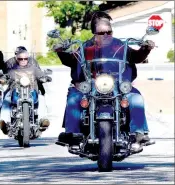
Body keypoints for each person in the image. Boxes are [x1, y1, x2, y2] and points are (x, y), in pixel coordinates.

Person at [53, 11, 155, 153]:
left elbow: (136, 57)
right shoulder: (85, 47)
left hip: (117, 84)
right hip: (91, 85)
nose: (106, 35)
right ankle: (73, 135)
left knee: (136, 98)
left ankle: (138, 134)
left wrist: (145, 48)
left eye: (109, 32)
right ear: (94, 33)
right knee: (74, 98)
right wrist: (60, 51)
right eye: (102, 33)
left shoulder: (120, 46)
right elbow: (72, 60)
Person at [0, 49, 51, 135]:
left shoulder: (33, 68)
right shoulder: (13, 69)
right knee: (7, 97)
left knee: (41, 97)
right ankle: (4, 122)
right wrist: (3, 79)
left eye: (25, 58)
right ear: (17, 59)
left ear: (28, 58)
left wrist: (45, 77)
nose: (23, 60)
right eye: (20, 59)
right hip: (16, 91)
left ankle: (43, 120)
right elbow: (7, 75)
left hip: (31, 90)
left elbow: (40, 74)